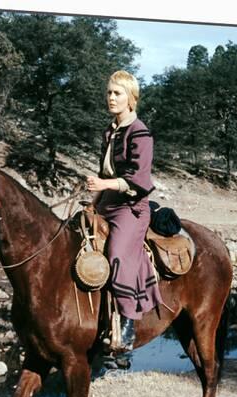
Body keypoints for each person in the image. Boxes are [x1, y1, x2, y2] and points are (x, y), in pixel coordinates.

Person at [86, 70, 164, 351]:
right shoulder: (109, 131)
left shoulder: (140, 132)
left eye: (117, 93)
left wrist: (104, 183)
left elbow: (139, 180)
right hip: (106, 202)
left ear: (131, 99)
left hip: (131, 207)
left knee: (118, 255)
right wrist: (91, 201)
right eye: (109, 92)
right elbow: (103, 172)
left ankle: (129, 321)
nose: (111, 97)